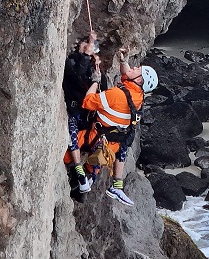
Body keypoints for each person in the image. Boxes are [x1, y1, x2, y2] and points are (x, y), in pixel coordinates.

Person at [64, 61, 158, 206]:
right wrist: (123, 60)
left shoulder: (116, 94)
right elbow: (126, 75)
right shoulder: (138, 97)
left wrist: (95, 81)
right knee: (93, 165)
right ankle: (90, 179)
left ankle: (78, 172)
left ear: (139, 79)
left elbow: (87, 102)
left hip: (94, 137)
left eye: (138, 69)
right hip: (111, 147)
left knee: (70, 125)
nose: (133, 67)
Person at [62, 31, 101, 194]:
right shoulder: (71, 61)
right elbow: (76, 73)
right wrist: (86, 54)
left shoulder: (92, 71)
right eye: (85, 43)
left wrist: (95, 67)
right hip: (72, 111)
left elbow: (92, 85)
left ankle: (90, 175)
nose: (86, 45)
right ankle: (80, 174)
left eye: (88, 44)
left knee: (100, 138)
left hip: (83, 114)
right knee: (72, 136)